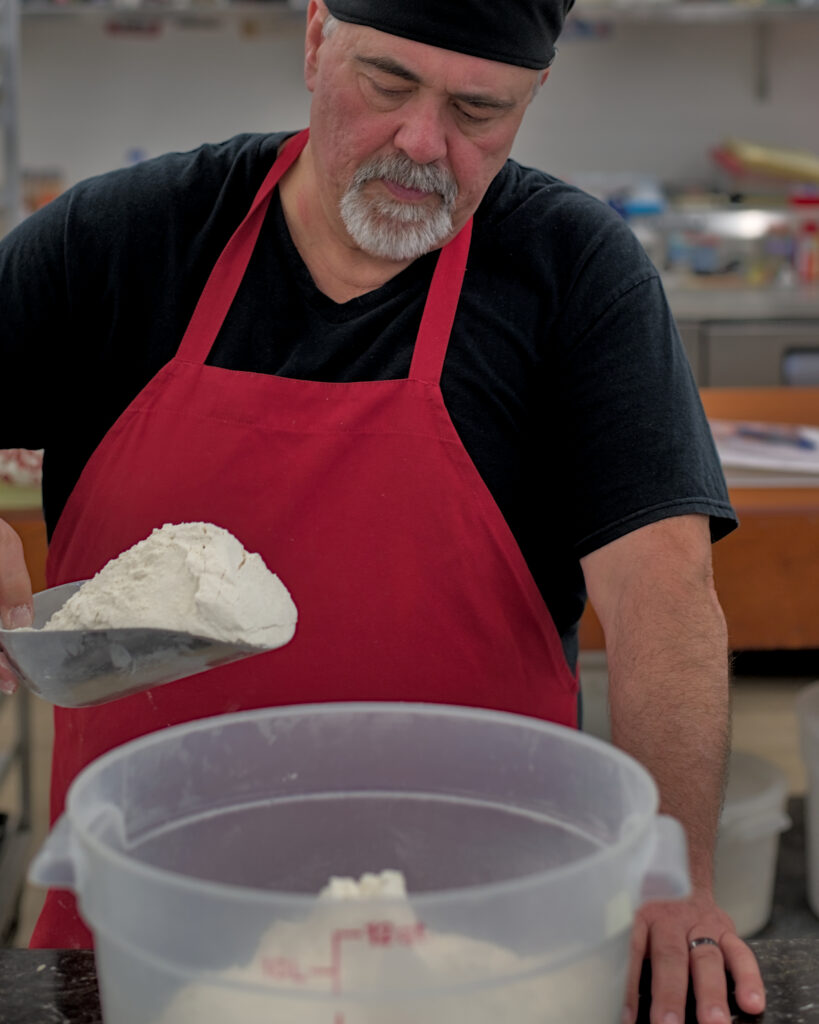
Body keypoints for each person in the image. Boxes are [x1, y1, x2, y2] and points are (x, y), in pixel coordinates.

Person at [0, 0, 765, 1018]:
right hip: (151, 931)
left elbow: (663, 592)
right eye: (388, 84)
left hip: (483, 943)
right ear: (316, 36)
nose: (420, 141)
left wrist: (677, 876)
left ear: (537, 93)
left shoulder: (576, 274)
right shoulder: (125, 240)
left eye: (477, 108)